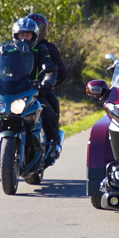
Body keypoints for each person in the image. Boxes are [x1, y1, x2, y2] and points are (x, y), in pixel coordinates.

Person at [0, 17, 63, 163]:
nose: (24, 39)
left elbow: (48, 66)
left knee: (47, 112)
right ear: (15, 36)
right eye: (21, 35)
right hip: (10, 91)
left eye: (27, 35)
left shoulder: (41, 49)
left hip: (34, 91)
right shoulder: (8, 49)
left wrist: (48, 79)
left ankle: (53, 145)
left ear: (34, 36)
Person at [26, 13, 68, 163]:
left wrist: (51, 84)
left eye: (38, 28)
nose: (34, 32)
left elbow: (61, 71)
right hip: (18, 91)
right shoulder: (14, 49)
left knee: (49, 111)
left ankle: (53, 143)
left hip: (40, 91)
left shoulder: (47, 48)